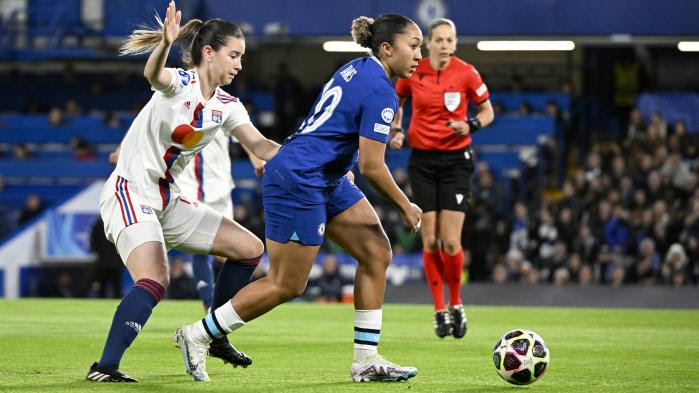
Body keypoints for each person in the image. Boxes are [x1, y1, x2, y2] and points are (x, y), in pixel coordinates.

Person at [174, 14, 423, 383]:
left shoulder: (358, 69)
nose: (420, 54)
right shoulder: (381, 89)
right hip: (300, 179)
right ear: (387, 48)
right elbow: (373, 166)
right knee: (287, 283)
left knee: (376, 253)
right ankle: (197, 334)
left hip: (324, 175)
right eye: (414, 46)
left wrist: (340, 163)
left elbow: (332, 127)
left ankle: (366, 360)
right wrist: (406, 204)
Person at [86, 1, 279, 382]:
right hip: (131, 193)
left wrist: (320, 161)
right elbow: (153, 74)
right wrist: (164, 44)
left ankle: (216, 333)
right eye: (234, 55)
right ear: (209, 53)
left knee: (250, 249)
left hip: (168, 201)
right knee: (156, 277)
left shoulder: (227, 105)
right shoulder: (180, 83)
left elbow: (261, 146)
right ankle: (105, 367)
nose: (240, 64)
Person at [389, 18, 494, 339]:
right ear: (428, 44)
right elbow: (398, 100)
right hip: (422, 160)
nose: (446, 45)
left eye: (451, 40)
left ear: (455, 43)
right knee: (430, 240)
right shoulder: (414, 70)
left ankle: (457, 304)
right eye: (440, 40)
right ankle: (438, 310)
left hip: (455, 161)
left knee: (450, 241)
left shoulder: (466, 72)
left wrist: (471, 125)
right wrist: (396, 128)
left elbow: (488, 111)